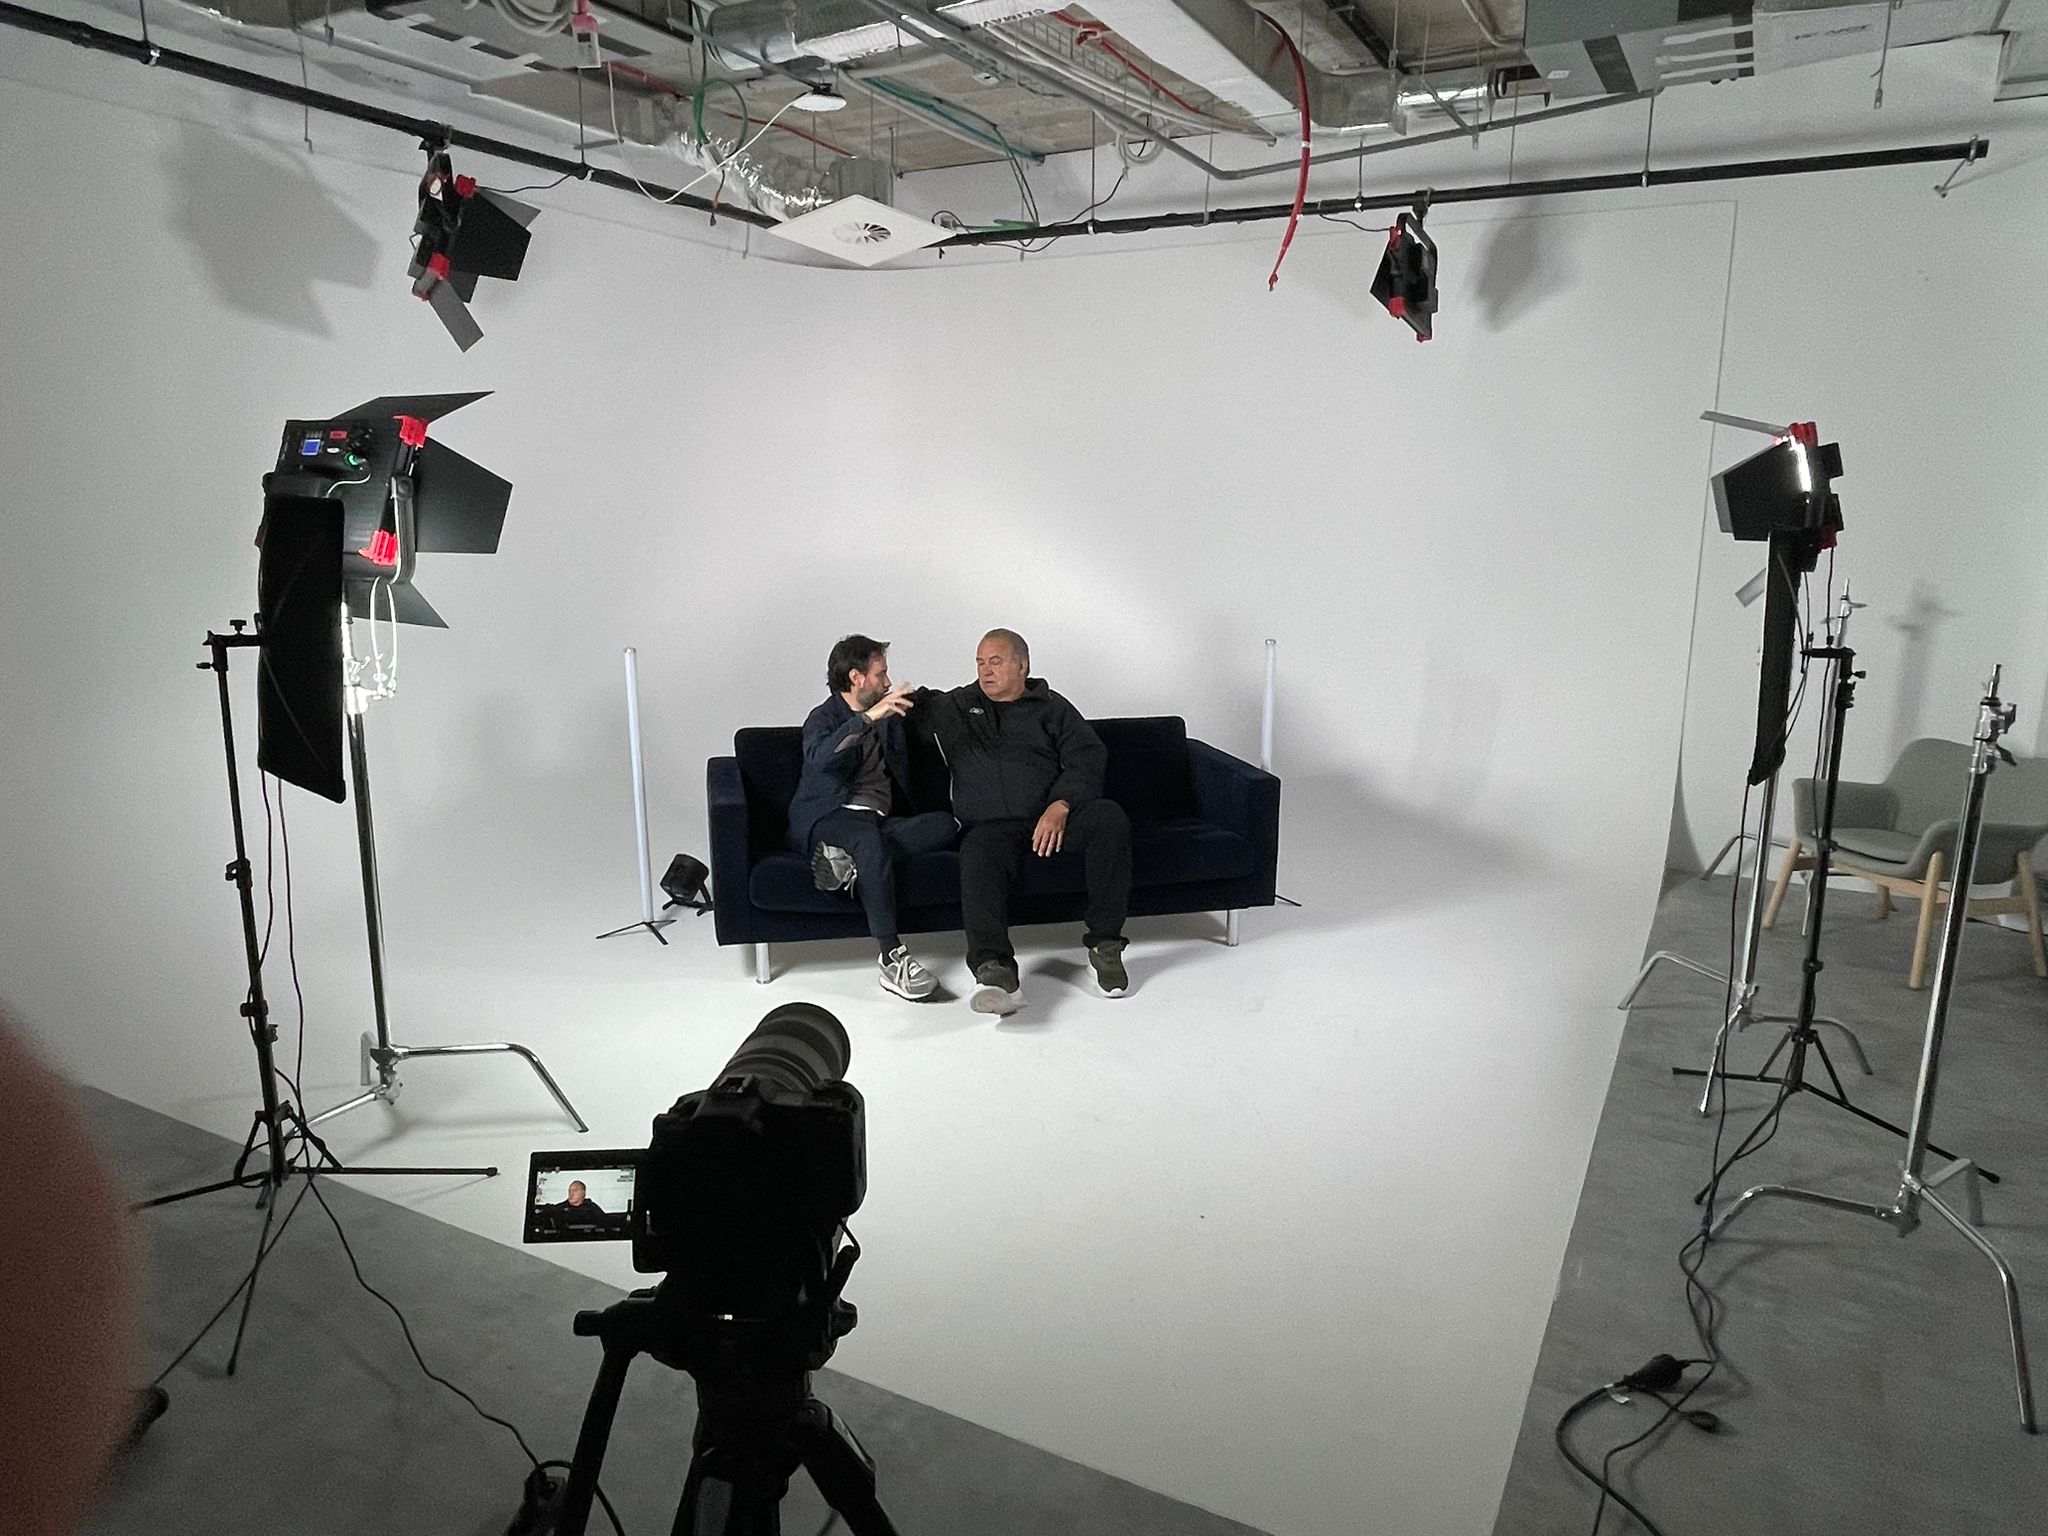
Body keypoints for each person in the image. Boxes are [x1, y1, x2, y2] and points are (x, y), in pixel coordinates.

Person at [917, 629, 1131, 1014]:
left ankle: (1105, 945)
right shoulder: (959, 706)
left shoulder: (1052, 707)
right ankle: (994, 968)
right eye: (980, 663)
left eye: (995, 662)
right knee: (977, 851)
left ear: (1022, 666)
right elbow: (914, 706)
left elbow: (1087, 757)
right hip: (992, 828)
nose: (985, 671)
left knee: (1108, 817)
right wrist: (876, 698)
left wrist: (1061, 804)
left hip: (1050, 819)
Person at [786, 635, 957, 1001]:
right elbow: (821, 758)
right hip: (831, 817)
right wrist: (866, 720)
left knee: (946, 825)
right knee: (870, 842)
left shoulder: (890, 709)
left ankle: (849, 865)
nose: (888, 682)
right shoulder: (823, 718)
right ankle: (891, 958)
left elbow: (936, 701)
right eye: (881, 674)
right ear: (856, 677)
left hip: (878, 823)